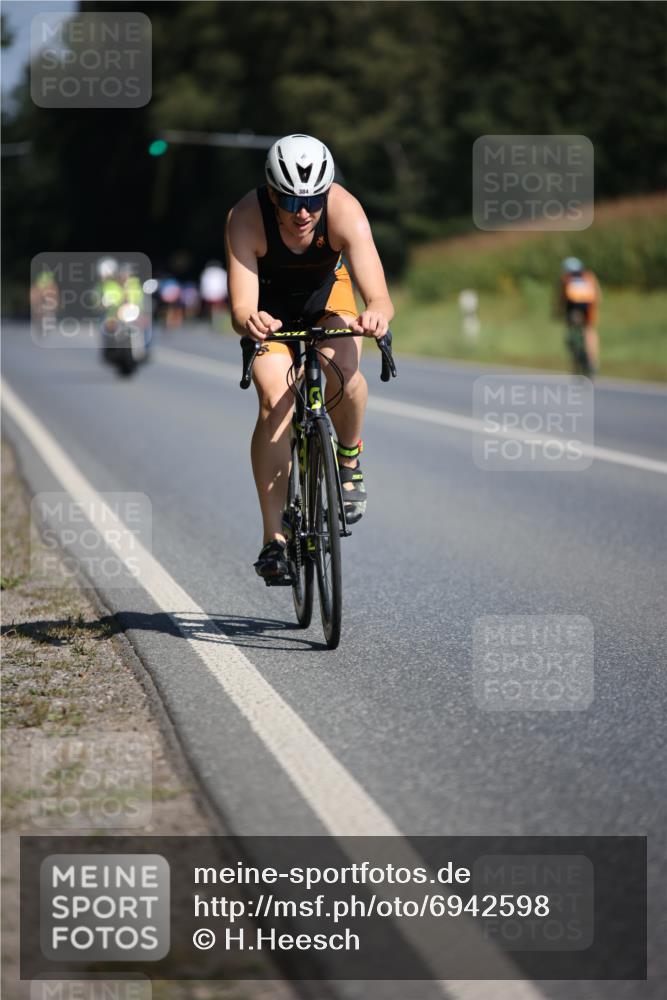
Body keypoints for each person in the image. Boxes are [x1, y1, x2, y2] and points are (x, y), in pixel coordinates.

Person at [225, 133, 394, 582]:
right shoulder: (245, 217)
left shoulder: (345, 210)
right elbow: (241, 307)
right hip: (270, 309)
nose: (303, 212)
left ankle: (349, 458)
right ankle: (272, 540)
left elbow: (377, 294)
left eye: (313, 200)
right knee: (274, 398)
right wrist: (251, 320)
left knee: (344, 372)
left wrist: (376, 312)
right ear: (270, 192)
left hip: (327, 297)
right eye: (290, 200)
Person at [559, 257, 601, 373]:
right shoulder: (589, 277)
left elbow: (562, 298)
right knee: (590, 331)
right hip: (589, 309)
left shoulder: (566, 278)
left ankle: (576, 362)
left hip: (573, 310)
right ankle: (593, 360)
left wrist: (558, 311)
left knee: (570, 334)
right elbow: (597, 295)